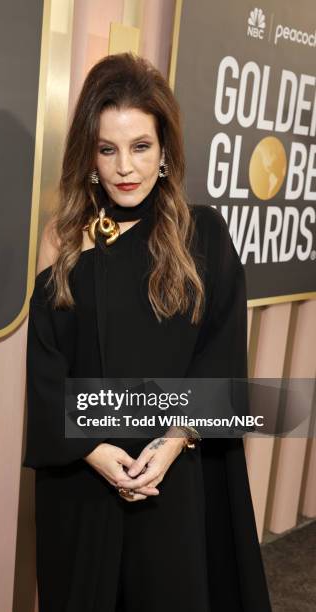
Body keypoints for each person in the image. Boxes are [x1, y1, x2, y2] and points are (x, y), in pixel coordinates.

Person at [22, 52, 272, 612]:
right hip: (82, 479)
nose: (124, 168)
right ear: (89, 156)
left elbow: (222, 357)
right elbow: (46, 366)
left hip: (175, 477)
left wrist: (170, 442)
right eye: (108, 150)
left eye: (141, 147)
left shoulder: (202, 235)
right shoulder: (61, 240)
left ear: (164, 154)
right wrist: (92, 449)